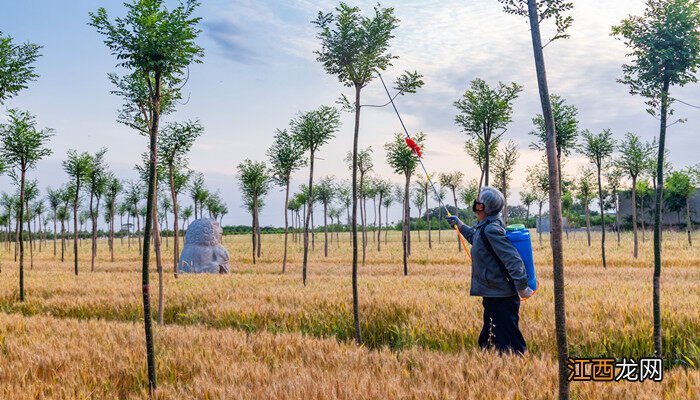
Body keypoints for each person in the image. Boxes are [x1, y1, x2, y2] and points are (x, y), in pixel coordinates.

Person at [446, 186, 533, 355]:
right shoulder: (485, 227)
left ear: (483, 207)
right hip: (493, 293)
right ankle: (496, 372)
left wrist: (522, 287)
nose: (476, 203)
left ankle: (518, 371)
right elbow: (477, 239)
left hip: (501, 296)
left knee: (509, 342)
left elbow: (513, 260)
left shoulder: (491, 229)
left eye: (478, 201)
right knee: (489, 339)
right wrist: (460, 225)